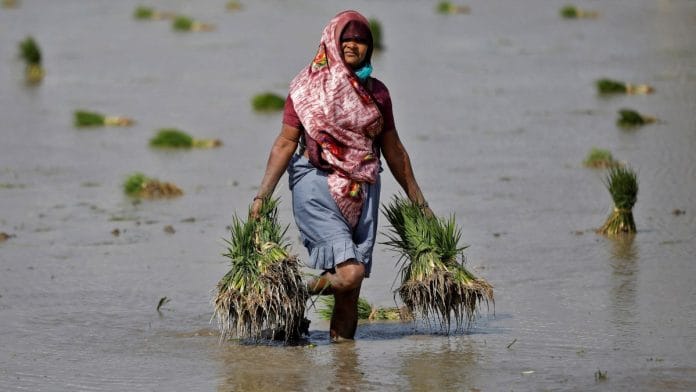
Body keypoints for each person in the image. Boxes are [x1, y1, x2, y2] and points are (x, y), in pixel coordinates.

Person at [251, 10, 431, 342]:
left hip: (363, 190)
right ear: (331, 43)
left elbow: (393, 150)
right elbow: (286, 142)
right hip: (316, 185)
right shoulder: (306, 89)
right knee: (350, 274)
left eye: (361, 40)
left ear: (370, 47)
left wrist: (419, 202)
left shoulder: (378, 93)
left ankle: (344, 368)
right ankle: (294, 293)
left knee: (350, 292)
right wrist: (262, 194)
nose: (353, 45)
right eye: (346, 38)